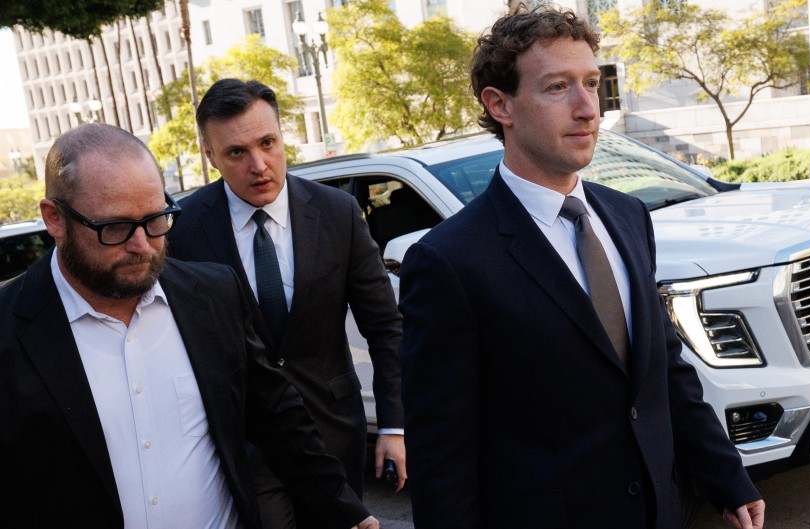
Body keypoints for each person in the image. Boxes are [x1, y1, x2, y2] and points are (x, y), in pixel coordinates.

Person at [398, 7, 764, 529]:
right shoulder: (448, 261)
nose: (587, 107)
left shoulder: (627, 215)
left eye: (592, 82)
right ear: (499, 104)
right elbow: (442, 456)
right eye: (557, 88)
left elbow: (665, 367)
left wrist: (724, 473)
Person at [0, 123, 379, 529]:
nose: (142, 245)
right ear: (54, 219)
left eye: (156, 220)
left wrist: (345, 510)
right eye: (114, 228)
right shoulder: (9, 329)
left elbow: (276, 417)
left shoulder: (211, 295)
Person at [167, 79, 406, 527]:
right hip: (247, 442)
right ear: (209, 154)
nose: (259, 165)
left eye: (268, 143)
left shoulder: (337, 213)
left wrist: (393, 425)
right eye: (236, 152)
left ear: (282, 135)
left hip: (333, 430)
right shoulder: (182, 231)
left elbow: (385, 327)